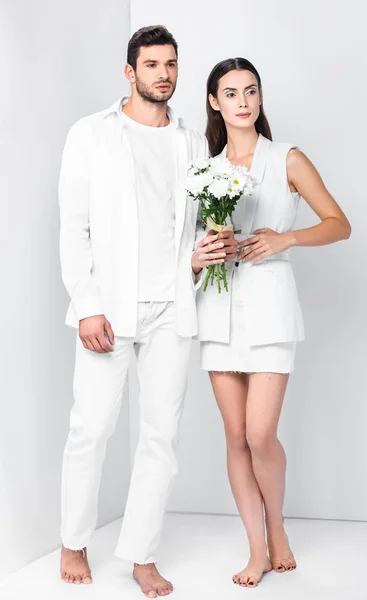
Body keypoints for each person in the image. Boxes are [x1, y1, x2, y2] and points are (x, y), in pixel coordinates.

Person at [58, 26, 236, 598]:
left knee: (161, 437)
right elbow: (73, 228)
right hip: (109, 309)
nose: (164, 73)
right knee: (92, 428)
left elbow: (181, 230)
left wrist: (200, 255)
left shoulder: (189, 145)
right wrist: (87, 306)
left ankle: (141, 554)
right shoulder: (91, 135)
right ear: (129, 73)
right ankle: (73, 539)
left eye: (172, 63)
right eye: (152, 63)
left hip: (171, 309)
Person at [195, 57, 351, 588]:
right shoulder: (203, 166)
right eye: (231, 93)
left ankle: (278, 525)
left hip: (269, 306)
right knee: (235, 438)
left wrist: (285, 238)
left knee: (261, 435)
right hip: (217, 309)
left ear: (260, 99)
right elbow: (187, 241)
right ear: (214, 102)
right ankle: (257, 549)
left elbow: (339, 224)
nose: (243, 101)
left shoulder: (287, 158)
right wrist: (208, 248)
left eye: (251, 91)